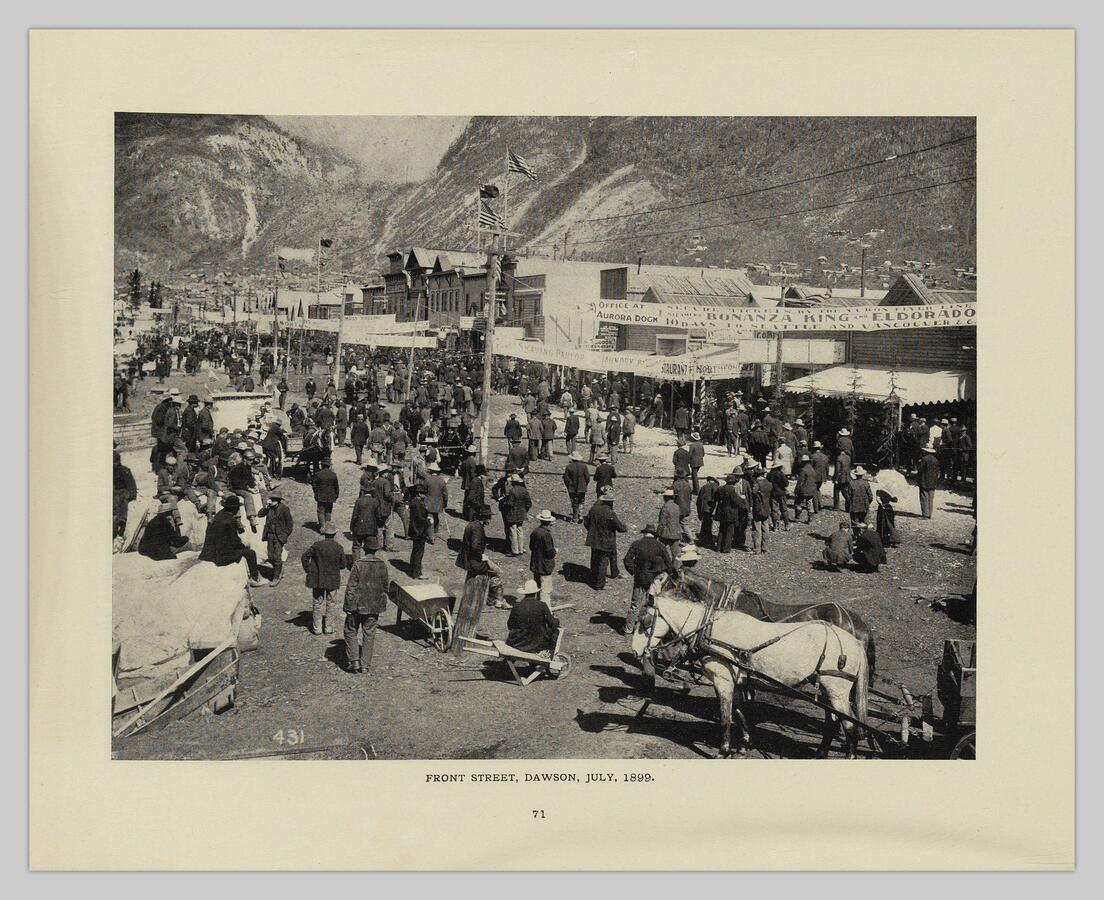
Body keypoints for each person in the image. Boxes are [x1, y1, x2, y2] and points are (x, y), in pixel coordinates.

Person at [199, 494, 264, 584]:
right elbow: (234, 542)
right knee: (251, 553)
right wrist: (243, 546)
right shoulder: (230, 520)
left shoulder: (220, 514)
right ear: (235, 508)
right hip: (222, 554)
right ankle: (255, 578)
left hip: (212, 550)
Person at [623, 524, 675, 635]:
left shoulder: (636, 544)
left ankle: (628, 628)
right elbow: (669, 564)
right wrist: (663, 575)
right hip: (654, 579)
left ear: (644, 533)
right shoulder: (660, 546)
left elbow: (627, 560)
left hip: (639, 578)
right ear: (654, 535)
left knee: (635, 604)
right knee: (651, 604)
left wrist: (634, 571)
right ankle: (645, 628)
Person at [301, 521, 347, 635]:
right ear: (334, 534)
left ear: (324, 534)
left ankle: (316, 628)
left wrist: (309, 570)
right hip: (332, 579)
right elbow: (343, 565)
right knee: (331, 603)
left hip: (318, 579)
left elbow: (304, 557)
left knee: (317, 602)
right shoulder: (338, 547)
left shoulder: (317, 545)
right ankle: (328, 627)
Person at [583, 487, 626, 590]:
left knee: (594, 559)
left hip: (593, 539)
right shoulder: (610, 513)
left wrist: (592, 531)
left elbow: (586, 522)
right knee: (603, 562)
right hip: (606, 541)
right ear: (610, 502)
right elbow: (619, 527)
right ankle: (599, 585)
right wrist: (625, 527)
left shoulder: (594, 509)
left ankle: (594, 578)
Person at [505, 580, 560, 655]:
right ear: (536, 593)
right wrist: (556, 620)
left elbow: (510, 625)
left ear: (524, 593)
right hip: (536, 644)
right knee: (555, 631)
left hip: (517, 643)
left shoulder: (517, 606)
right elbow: (552, 624)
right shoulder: (542, 605)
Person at [259, 485, 294, 584]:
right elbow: (260, 514)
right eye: (271, 499)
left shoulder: (284, 509)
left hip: (279, 536)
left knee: (277, 556)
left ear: (278, 501)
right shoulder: (269, 508)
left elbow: (290, 524)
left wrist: (285, 534)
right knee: (270, 556)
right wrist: (265, 508)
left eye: (274, 500)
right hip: (270, 535)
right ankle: (278, 571)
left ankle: (276, 577)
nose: (272, 501)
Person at [500, 473, 532, 557]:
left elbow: (510, 503)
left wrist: (504, 504)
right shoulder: (524, 490)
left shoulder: (512, 491)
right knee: (520, 530)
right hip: (522, 514)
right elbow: (529, 503)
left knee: (513, 531)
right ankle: (521, 549)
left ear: (513, 482)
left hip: (512, 513)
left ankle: (515, 550)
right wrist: (525, 510)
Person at [714, 472, 742, 554]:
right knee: (730, 531)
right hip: (731, 512)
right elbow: (735, 501)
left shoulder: (720, 488)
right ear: (733, 482)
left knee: (721, 529)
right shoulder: (732, 490)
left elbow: (715, 498)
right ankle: (726, 548)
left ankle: (718, 547)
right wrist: (742, 499)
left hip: (721, 511)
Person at [112, 450, 137, 543]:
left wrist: (131, 497)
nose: (114, 465)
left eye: (115, 462)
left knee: (120, 513)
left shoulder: (124, 471)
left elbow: (132, 487)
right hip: (113, 496)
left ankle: (120, 530)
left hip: (122, 495)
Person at [408, 484, 431, 579]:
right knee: (419, 552)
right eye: (423, 493)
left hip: (414, 529)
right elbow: (420, 518)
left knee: (415, 551)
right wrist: (428, 521)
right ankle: (417, 573)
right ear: (419, 494)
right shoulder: (419, 504)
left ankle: (412, 569)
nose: (425, 495)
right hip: (419, 530)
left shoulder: (413, 502)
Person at [529, 510, 557, 587]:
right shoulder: (546, 534)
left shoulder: (535, 531)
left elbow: (531, 547)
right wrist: (555, 551)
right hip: (545, 566)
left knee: (537, 585)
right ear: (549, 522)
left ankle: (537, 598)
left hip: (535, 564)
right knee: (545, 588)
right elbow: (549, 552)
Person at [562, 450, 590, 524]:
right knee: (581, 501)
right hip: (582, 487)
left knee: (574, 503)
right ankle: (580, 515)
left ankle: (575, 518)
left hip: (572, 488)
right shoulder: (584, 466)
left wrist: (568, 486)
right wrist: (585, 484)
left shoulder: (569, 467)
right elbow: (587, 478)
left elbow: (566, 478)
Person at [311, 456, 339, 528]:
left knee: (321, 511)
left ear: (322, 465)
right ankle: (328, 527)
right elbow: (336, 487)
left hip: (321, 497)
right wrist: (336, 496)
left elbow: (314, 486)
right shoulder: (333, 475)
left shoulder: (318, 474)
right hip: (330, 497)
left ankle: (322, 527)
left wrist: (316, 494)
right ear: (329, 466)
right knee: (328, 511)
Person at [750, 465, 772, 554]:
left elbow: (753, 492)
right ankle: (765, 547)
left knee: (756, 528)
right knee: (765, 527)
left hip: (758, 508)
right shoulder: (769, 483)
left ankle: (757, 548)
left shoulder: (757, 484)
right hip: (767, 507)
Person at [423, 462, 448, 538]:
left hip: (428, 502)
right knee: (436, 516)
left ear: (430, 471)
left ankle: (428, 532)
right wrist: (445, 503)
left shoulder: (427, 480)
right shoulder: (442, 481)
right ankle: (435, 530)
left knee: (429, 517)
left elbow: (424, 491)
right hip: (438, 502)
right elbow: (445, 494)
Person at [794, 453, 818, 523]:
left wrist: (796, 490)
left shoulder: (803, 470)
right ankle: (810, 520)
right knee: (809, 504)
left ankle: (798, 517)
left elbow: (800, 482)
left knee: (797, 503)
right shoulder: (812, 469)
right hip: (811, 490)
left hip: (803, 490)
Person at [918, 444, 940, 519]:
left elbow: (920, 470)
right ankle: (930, 514)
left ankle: (925, 514)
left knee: (924, 497)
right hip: (933, 482)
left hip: (924, 480)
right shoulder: (935, 459)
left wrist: (918, 480)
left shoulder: (924, 459)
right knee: (931, 498)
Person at [696, 476, 719, 547]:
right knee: (708, 525)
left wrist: (699, 511)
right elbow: (717, 497)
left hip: (703, 508)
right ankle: (708, 541)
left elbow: (698, 501)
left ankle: (702, 540)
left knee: (704, 524)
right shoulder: (714, 486)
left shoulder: (703, 487)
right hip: (710, 509)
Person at [833, 444, 853, 511]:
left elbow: (838, 470)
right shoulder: (848, 457)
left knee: (836, 491)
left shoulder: (839, 458)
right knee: (846, 492)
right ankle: (848, 507)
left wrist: (836, 479)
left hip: (840, 478)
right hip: (847, 477)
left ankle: (836, 506)